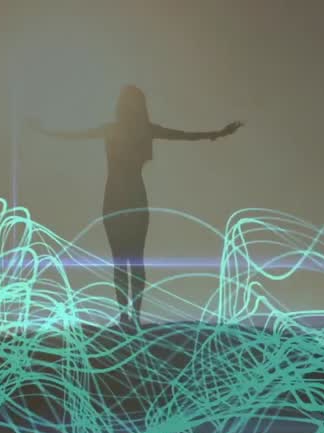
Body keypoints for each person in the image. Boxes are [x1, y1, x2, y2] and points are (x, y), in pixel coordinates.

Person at [32, 85, 243, 325]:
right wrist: (45, 131)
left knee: (128, 260)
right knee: (127, 260)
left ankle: (130, 317)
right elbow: (76, 134)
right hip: (124, 197)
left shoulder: (126, 130)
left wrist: (218, 133)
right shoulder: (134, 130)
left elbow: (183, 135)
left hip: (122, 198)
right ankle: (128, 317)